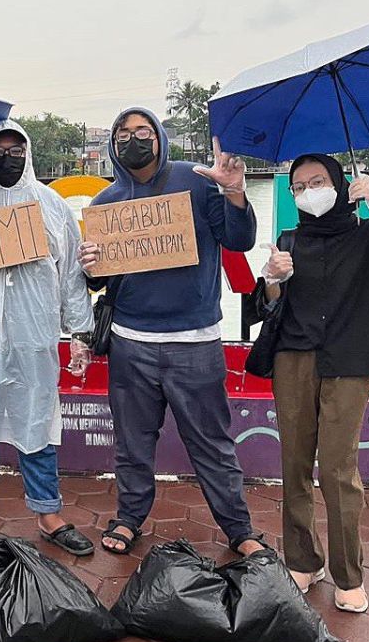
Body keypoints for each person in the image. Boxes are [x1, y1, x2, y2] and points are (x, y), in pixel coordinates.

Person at [79, 108, 265, 558]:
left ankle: (239, 529)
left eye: (144, 132)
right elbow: (99, 281)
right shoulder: (105, 204)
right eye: (123, 133)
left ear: (161, 138)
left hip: (195, 342)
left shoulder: (197, 180)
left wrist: (234, 192)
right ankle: (129, 517)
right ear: (113, 145)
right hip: (130, 343)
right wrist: (89, 267)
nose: (134, 140)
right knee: (132, 443)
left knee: (212, 443)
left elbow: (239, 240)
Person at [258, 155, 369, 613]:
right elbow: (270, 307)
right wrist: (274, 281)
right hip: (293, 359)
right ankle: (302, 559)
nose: (308, 191)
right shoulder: (289, 239)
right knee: (294, 463)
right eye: (299, 186)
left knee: (339, 470)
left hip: (348, 362)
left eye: (318, 182)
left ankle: (348, 574)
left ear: (341, 185)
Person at [0, 119, 95, 556]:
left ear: (27, 153)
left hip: (34, 336)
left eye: (15, 150)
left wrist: (81, 331)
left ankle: (48, 511)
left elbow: (71, 277)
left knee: (38, 420)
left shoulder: (53, 207)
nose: (6, 158)